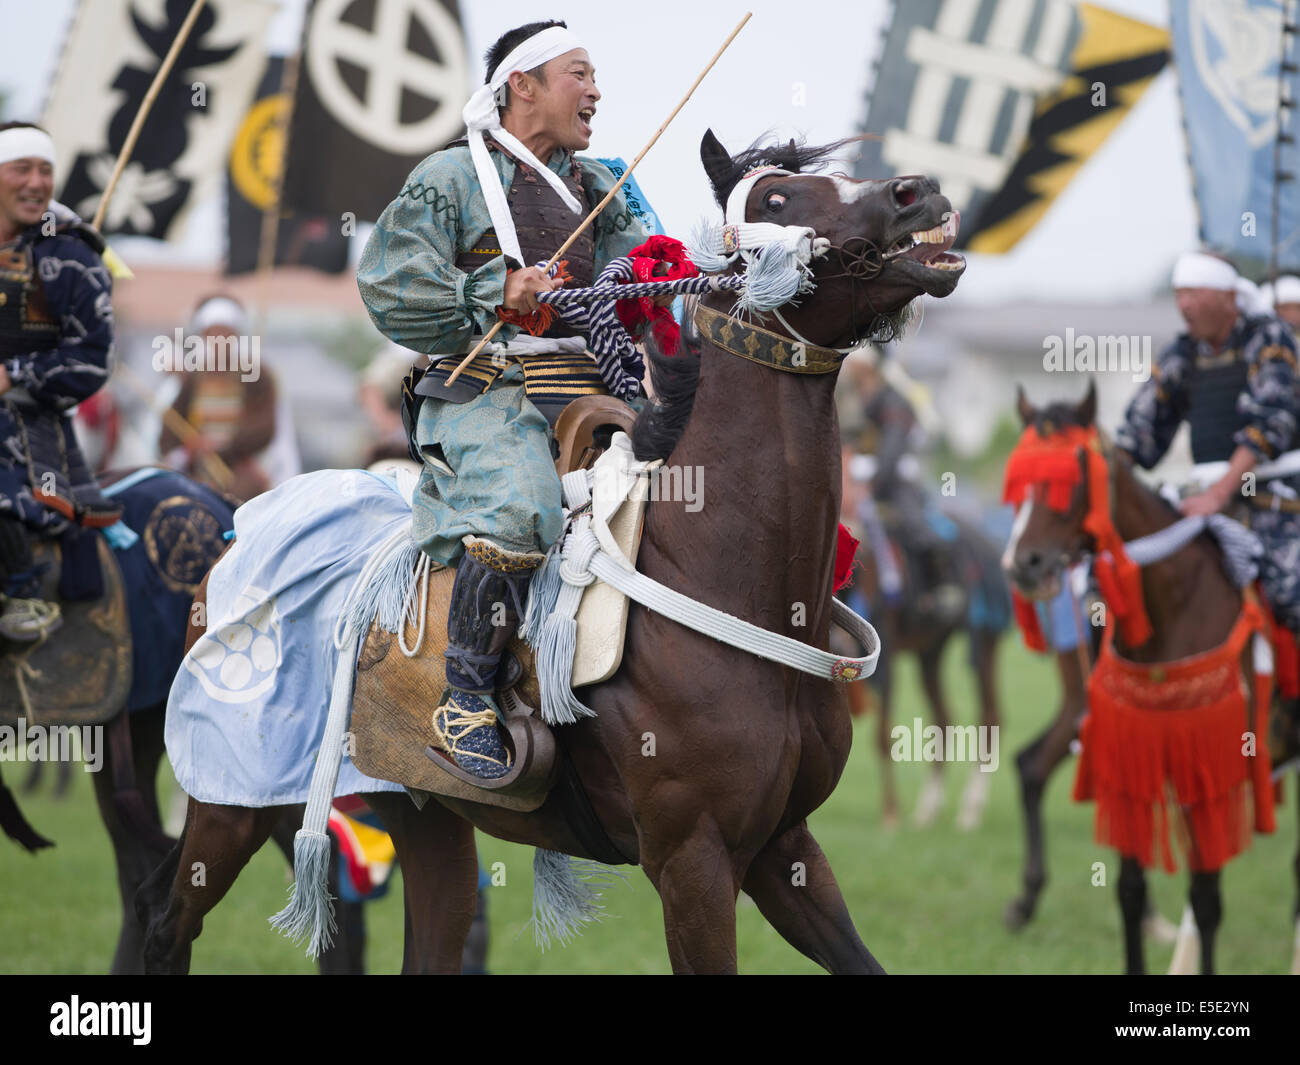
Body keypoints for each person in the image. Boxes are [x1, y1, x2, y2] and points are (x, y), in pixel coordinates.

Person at [357, 20, 651, 777]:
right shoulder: (449, 178)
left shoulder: (606, 184)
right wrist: (494, 289)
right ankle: (465, 701)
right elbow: (388, 282)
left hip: (596, 389)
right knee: (524, 505)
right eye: (578, 74)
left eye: (595, 76)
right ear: (522, 86)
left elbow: (648, 269)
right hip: (487, 390)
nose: (596, 91)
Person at [1116, 250, 1300, 638]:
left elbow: (1270, 424)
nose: (1184, 304)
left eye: (1194, 293)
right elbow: (1138, 433)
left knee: (1289, 593)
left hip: (1273, 495)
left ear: (1227, 298)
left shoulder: (1269, 337)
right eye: (1179, 293)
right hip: (1201, 497)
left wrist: (1221, 493)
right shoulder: (1182, 353)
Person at [0, 121, 119, 642]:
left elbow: (92, 358)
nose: (35, 181)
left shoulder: (71, 254)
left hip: (29, 434)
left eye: (44, 169)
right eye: (20, 168)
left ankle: (22, 594)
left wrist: (14, 375)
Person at [158, 294, 300, 503]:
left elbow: (265, 426)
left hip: (243, 469)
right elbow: (172, 427)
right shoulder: (193, 377)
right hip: (198, 471)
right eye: (213, 333)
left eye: (225, 333)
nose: (219, 340)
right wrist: (190, 447)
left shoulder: (256, 375)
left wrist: (226, 445)